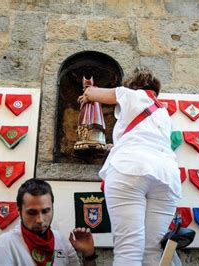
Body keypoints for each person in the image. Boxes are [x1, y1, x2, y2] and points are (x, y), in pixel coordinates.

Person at [78, 66, 182, 266]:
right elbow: (143, 139)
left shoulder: (131, 95)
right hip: (167, 176)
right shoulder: (163, 113)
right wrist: (114, 147)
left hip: (129, 171)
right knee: (153, 250)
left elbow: (93, 92)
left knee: (129, 248)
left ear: (132, 86)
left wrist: (88, 94)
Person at [0, 179, 97, 266]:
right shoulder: (6, 244)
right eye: (32, 212)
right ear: (19, 211)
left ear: (52, 208)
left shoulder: (60, 240)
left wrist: (88, 254)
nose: (40, 220)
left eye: (45, 211)